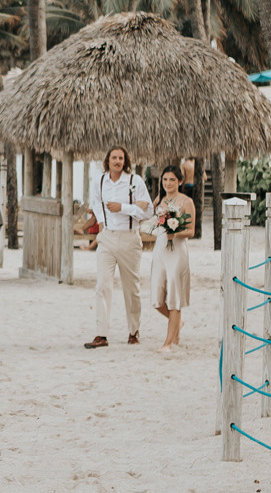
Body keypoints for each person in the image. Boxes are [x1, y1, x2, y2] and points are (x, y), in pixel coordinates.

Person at [84, 146, 151, 348]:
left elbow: (148, 212)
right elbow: (96, 203)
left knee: (131, 288)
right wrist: (102, 224)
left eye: (121, 158)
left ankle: (133, 331)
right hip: (107, 238)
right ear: (108, 160)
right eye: (114, 157)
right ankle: (101, 334)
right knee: (102, 285)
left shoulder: (135, 181)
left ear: (125, 161)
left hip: (129, 238)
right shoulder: (100, 180)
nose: (118, 161)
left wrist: (123, 208)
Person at [148, 166, 196, 352]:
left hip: (177, 252)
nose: (168, 183)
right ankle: (177, 322)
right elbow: (152, 220)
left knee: (174, 296)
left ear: (180, 181)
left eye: (172, 180)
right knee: (157, 299)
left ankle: (168, 343)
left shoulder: (186, 201)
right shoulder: (159, 200)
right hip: (160, 249)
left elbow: (191, 231)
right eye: (165, 179)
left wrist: (174, 233)